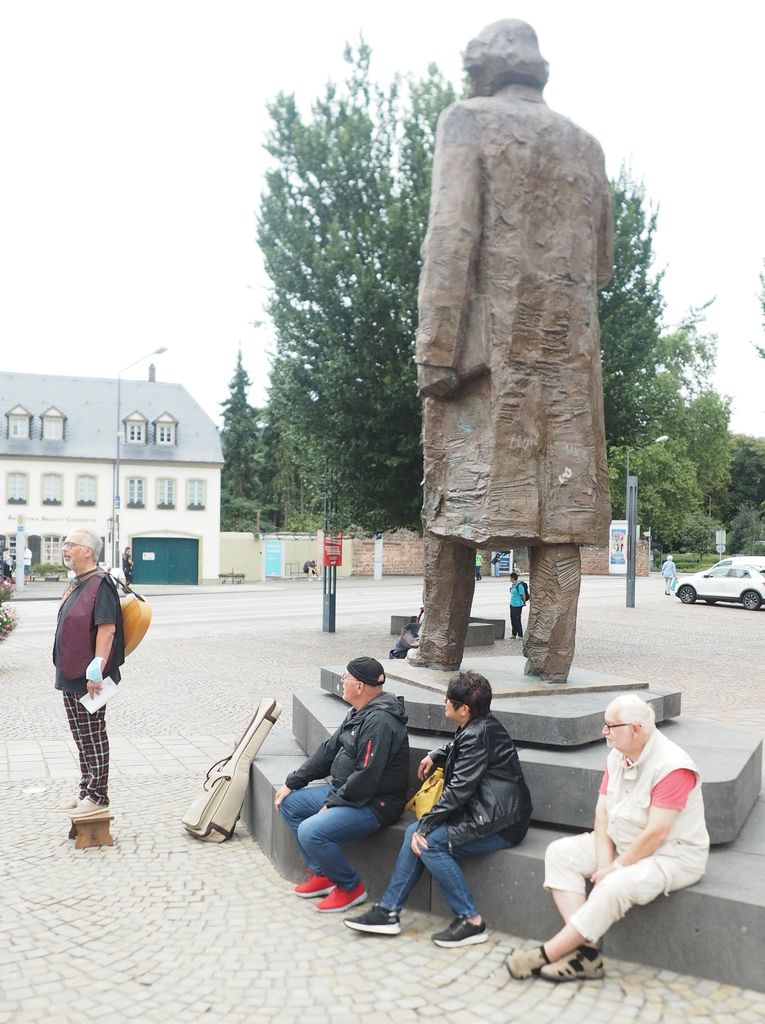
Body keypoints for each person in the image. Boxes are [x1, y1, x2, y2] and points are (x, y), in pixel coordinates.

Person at [414, 20, 613, 683]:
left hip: (483, 360)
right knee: (556, 524)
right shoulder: (584, 145)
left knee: (451, 510)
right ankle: (551, 661)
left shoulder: (465, 121)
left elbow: (449, 235)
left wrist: (433, 352)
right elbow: (603, 263)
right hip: (567, 365)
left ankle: (438, 649)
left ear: (481, 71)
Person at [506, 694, 709, 983]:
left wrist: (614, 869)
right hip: (625, 843)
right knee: (560, 853)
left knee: (613, 885)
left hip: (670, 856)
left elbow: (656, 834)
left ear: (636, 729)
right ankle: (587, 954)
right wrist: (604, 863)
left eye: (611, 725)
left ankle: (545, 954)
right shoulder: (617, 755)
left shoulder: (673, 767)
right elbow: (602, 816)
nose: (604, 731)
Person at [345, 671, 532, 947]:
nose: (444, 702)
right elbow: (461, 747)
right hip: (485, 812)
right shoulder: (477, 726)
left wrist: (426, 824)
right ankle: (388, 912)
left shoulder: (478, 734)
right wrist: (437, 755)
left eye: (449, 699)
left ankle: (471, 921)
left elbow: (458, 790)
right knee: (414, 835)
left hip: (501, 823)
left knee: (427, 842)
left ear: (464, 709)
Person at [274, 656, 409, 913]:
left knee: (311, 830)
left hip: (374, 803)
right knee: (289, 803)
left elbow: (368, 776)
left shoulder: (380, 722)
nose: (341, 682)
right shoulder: (359, 712)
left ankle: (350, 887)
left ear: (359, 686)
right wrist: (293, 781)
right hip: (346, 793)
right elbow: (328, 751)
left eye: (345, 678)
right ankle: (323, 874)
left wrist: (332, 804)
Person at [54, 528, 125, 817]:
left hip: (90, 677)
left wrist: (96, 667)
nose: (65, 548)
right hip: (71, 672)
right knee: (80, 734)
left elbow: (107, 629)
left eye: (71, 544)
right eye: (65, 543)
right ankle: (85, 787)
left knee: (93, 734)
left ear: (88, 551)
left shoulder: (101, 584)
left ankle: (98, 796)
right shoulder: (79, 582)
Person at [509, 572, 529, 639]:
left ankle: (520, 635)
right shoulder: (513, 585)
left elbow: (523, 595)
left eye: (510, 577)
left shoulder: (519, 586)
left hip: (518, 605)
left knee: (517, 619)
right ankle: (514, 634)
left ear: (513, 578)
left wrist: (523, 602)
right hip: (512, 604)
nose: (509, 579)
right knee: (512, 619)